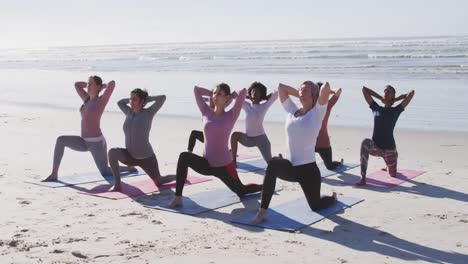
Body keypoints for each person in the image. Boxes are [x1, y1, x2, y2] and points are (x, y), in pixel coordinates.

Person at [251, 81, 337, 224]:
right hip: (290, 167)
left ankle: (332, 198)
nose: (302, 91)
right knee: (272, 165)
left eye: (306, 89)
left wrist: (312, 95)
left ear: (314, 94)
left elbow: (326, 86)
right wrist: (301, 94)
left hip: (309, 171)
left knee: (316, 206)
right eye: (300, 89)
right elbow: (281, 88)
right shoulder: (291, 110)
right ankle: (262, 212)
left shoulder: (317, 112)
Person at [167, 83, 262, 208]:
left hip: (224, 167)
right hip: (206, 164)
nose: (216, 96)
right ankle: (178, 198)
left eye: (220, 94)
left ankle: (263, 186)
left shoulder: (231, 115)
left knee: (241, 191)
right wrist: (212, 93)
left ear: (227, 98)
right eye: (215, 93)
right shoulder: (206, 111)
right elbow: (196, 90)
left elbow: (243, 92)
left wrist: (231, 96)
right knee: (184, 157)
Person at [43, 76, 133, 182]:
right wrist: (88, 85)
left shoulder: (101, 101)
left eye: (91, 84)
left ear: (98, 87)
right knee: (61, 140)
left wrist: (103, 87)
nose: (88, 86)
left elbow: (112, 83)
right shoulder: (86, 99)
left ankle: (128, 168)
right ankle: (54, 174)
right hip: (84, 142)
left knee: (105, 172)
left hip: (97, 143)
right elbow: (77, 85)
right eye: (88, 84)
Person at [108, 89, 175, 191]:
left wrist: (147, 99)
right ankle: (118, 184)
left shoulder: (148, 113)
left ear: (142, 101)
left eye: (135, 99)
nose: (131, 102)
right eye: (131, 99)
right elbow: (120, 102)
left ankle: (179, 176)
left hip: (147, 158)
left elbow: (162, 98)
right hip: (130, 156)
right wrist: (132, 99)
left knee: (159, 182)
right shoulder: (128, 112)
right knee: (112, 152)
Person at [357, 85, 415, 186]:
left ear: (393, 95)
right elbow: (364, 90)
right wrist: (380, 97)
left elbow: (411, 93)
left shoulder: (396, 110)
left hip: (389, 150)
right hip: (376, 147)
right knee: (365, 142)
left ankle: (390, 163)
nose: (385, 93)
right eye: (384, 91)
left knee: (393, 175)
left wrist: (396, 99)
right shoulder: (376, 108)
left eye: (389, 92)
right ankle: (363, 176)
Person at [230, 82, 278, 165]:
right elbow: (234, 95)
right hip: (248, 139)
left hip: (261, 139)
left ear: (261, 95)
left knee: (270, 163)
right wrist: (246, 96)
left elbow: (277, 93)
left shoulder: (264, 106)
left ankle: (278, 158)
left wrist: (265, 97)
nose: (254, 94)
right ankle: (233, 160)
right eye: (252, 92)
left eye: (257, 92)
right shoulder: (246, 106)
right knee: (234, 135)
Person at [315, 81, 343, 170]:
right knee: (303, 165)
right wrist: (329, 91)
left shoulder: (328, 105)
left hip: (324, 144)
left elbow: (339, 90)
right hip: (310, 143)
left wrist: (328, 91)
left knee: (330, 166)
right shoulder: (308, 106)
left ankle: (339, 163)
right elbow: (338, 90)